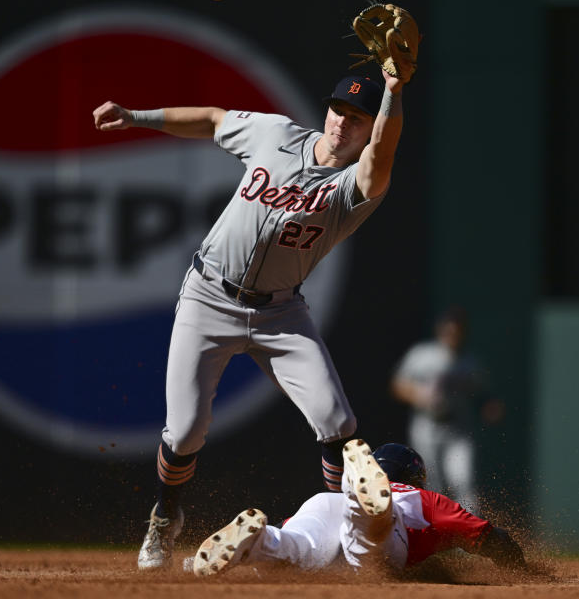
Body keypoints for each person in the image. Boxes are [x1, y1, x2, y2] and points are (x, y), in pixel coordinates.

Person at [92, 67, 408, 569]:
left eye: (356, 118)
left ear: (371, 128)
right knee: (186, 431)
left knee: (338, 421)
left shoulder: (356, 184)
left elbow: (384, 153)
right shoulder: (277, 135)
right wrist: (136, 117)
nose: (342, 123)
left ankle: (342, 532)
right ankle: (164, 516)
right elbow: (213, 120)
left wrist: (392, 93)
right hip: (208, 297)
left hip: (280, 311)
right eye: (338, 110)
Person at [192, 439, 526, 576]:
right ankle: (364, 504)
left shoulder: (327, 499)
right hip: (383, 523)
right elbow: (490, 538)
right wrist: (525, 571)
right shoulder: (421, 497)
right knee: (365, 541)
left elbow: (300, 525)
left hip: (323, 503)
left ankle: (258, 541)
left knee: (292, 546)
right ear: (414, 476)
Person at [390, 306, 501, 510]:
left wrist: (488, 406)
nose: (452, 334)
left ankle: (470, 536)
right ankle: (436, 536)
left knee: (464, 482)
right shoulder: (422, 355)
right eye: (448, 329)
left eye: (457, 330)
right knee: (433, 486)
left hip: (458, 429)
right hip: (426, 427)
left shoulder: (469, 363)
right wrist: (419, 395)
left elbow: (483, 395)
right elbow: (398, 385)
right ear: (440, 329)